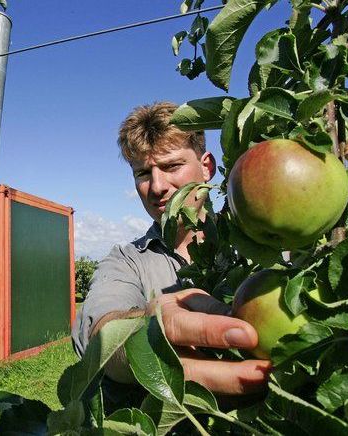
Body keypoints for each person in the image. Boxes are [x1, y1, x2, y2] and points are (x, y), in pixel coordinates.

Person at [72, 102, 271, 412]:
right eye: (143, 173)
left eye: (172, 166)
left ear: (207, 167)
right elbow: (100, 333)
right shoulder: (126, 261)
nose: (158, 187)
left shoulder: (260, 243)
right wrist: (145, 336)